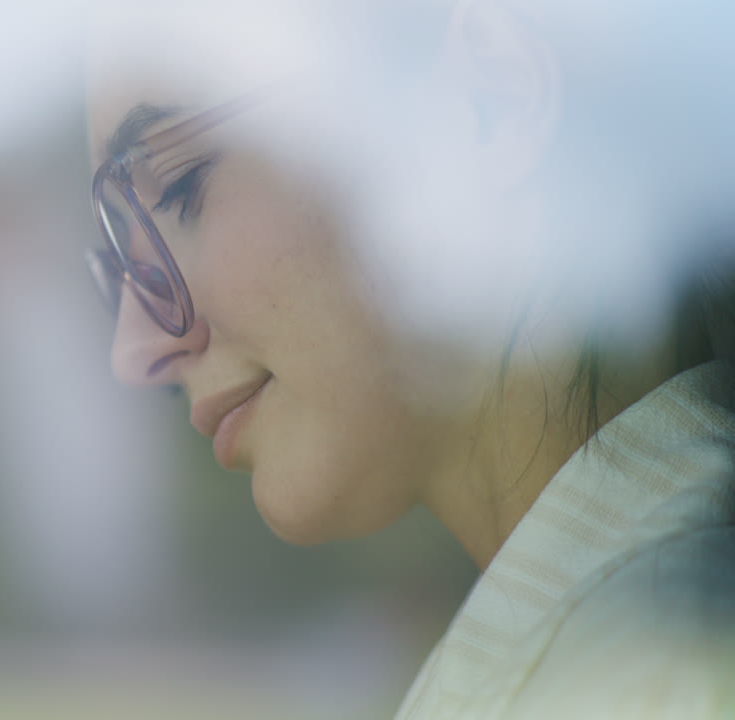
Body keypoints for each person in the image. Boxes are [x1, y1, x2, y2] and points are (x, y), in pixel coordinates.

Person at [82, 0, 735, 716]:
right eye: (124, 256)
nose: (135, 350)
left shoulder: (648, 676)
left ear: (491, 99)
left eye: (181, 183)